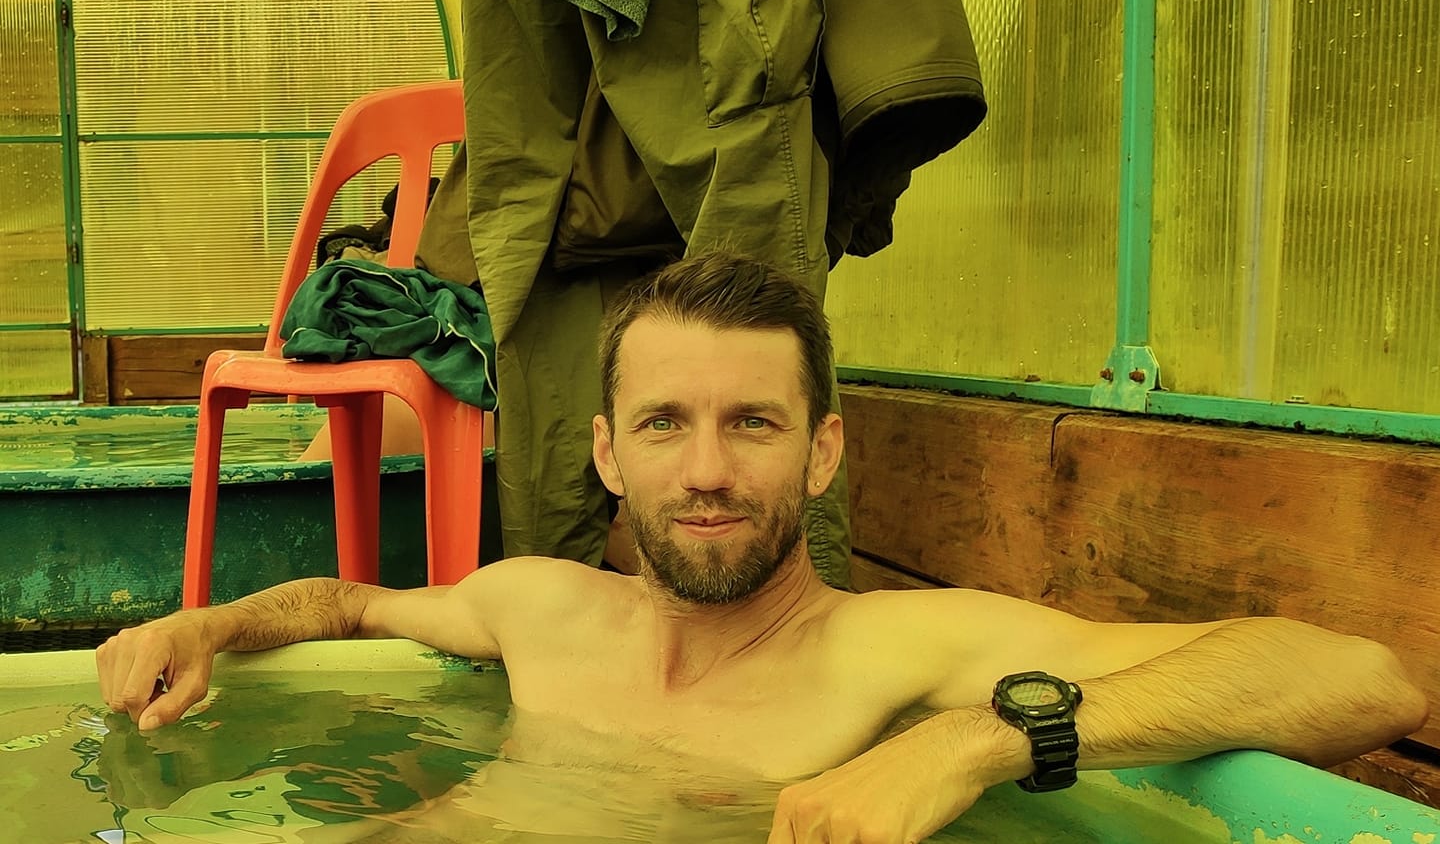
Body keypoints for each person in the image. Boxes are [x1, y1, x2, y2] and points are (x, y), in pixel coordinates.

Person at [98, 252, 1427, 842]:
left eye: (753, 424)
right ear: (608, 454)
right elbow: (349, 604)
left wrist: (971, 743)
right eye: (664, 424)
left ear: (823, 452)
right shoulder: (536, 605)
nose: (708, 471)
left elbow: (1361, 681)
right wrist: (207, 625)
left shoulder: (893, 652)